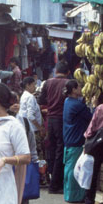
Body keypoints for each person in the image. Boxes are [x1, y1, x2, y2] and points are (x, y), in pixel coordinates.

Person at [9, 91, 39, 204]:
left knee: (24, 203)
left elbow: (32, 148)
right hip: (2, 170)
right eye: (11, 102)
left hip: (22, 168)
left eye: (16, 102)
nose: (14, 105)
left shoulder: (25, 123)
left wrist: (35, 164)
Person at [38, 62, 70, 194]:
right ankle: (55, 184)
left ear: (56, 71)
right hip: (61, 119)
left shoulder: (47, 82)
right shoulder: (68, 83)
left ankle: (51, 179)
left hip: (50, 119)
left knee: (51, 149)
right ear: (68, 72)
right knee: (59, 150)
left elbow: (41, 101)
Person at [62, 79, 92, 203]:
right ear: (74, 90)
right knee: (74, 169)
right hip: (75, 139)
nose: (81, 89)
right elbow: (91, 116)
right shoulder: (77, 105)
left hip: (69, 138)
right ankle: (73, 196)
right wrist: (95, 105)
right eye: (79, 87)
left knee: (69, 168)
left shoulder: (67, 101)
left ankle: (69, 194)